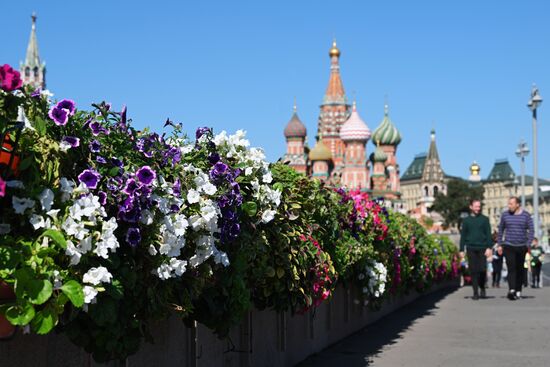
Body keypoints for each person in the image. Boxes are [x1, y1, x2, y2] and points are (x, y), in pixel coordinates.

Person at [497, 196, 535, 300]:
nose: (509, 206)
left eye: (511, 204)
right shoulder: (505, 215)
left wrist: (528, 243)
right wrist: (500, 244)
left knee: (519, 269)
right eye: (508, 204)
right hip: (509, 245)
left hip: (521, 246)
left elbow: (531, 230)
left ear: (517, 204)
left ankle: (518, 290)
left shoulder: (526, 215)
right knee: (511, 268)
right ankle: (512, 290)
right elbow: (500, 230)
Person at [460, 199, 492, 300]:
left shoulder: (485, 219)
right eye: (476, 206)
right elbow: (463, 236)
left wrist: (489, 248)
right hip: (471, 247)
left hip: (482, 248)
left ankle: (482, 287)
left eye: (479, 206)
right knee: (473, 270)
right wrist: (461, 249)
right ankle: (475, 292)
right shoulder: (466, 221)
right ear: (471, 207)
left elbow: (488, 234)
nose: (478, 208)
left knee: (482, 269)